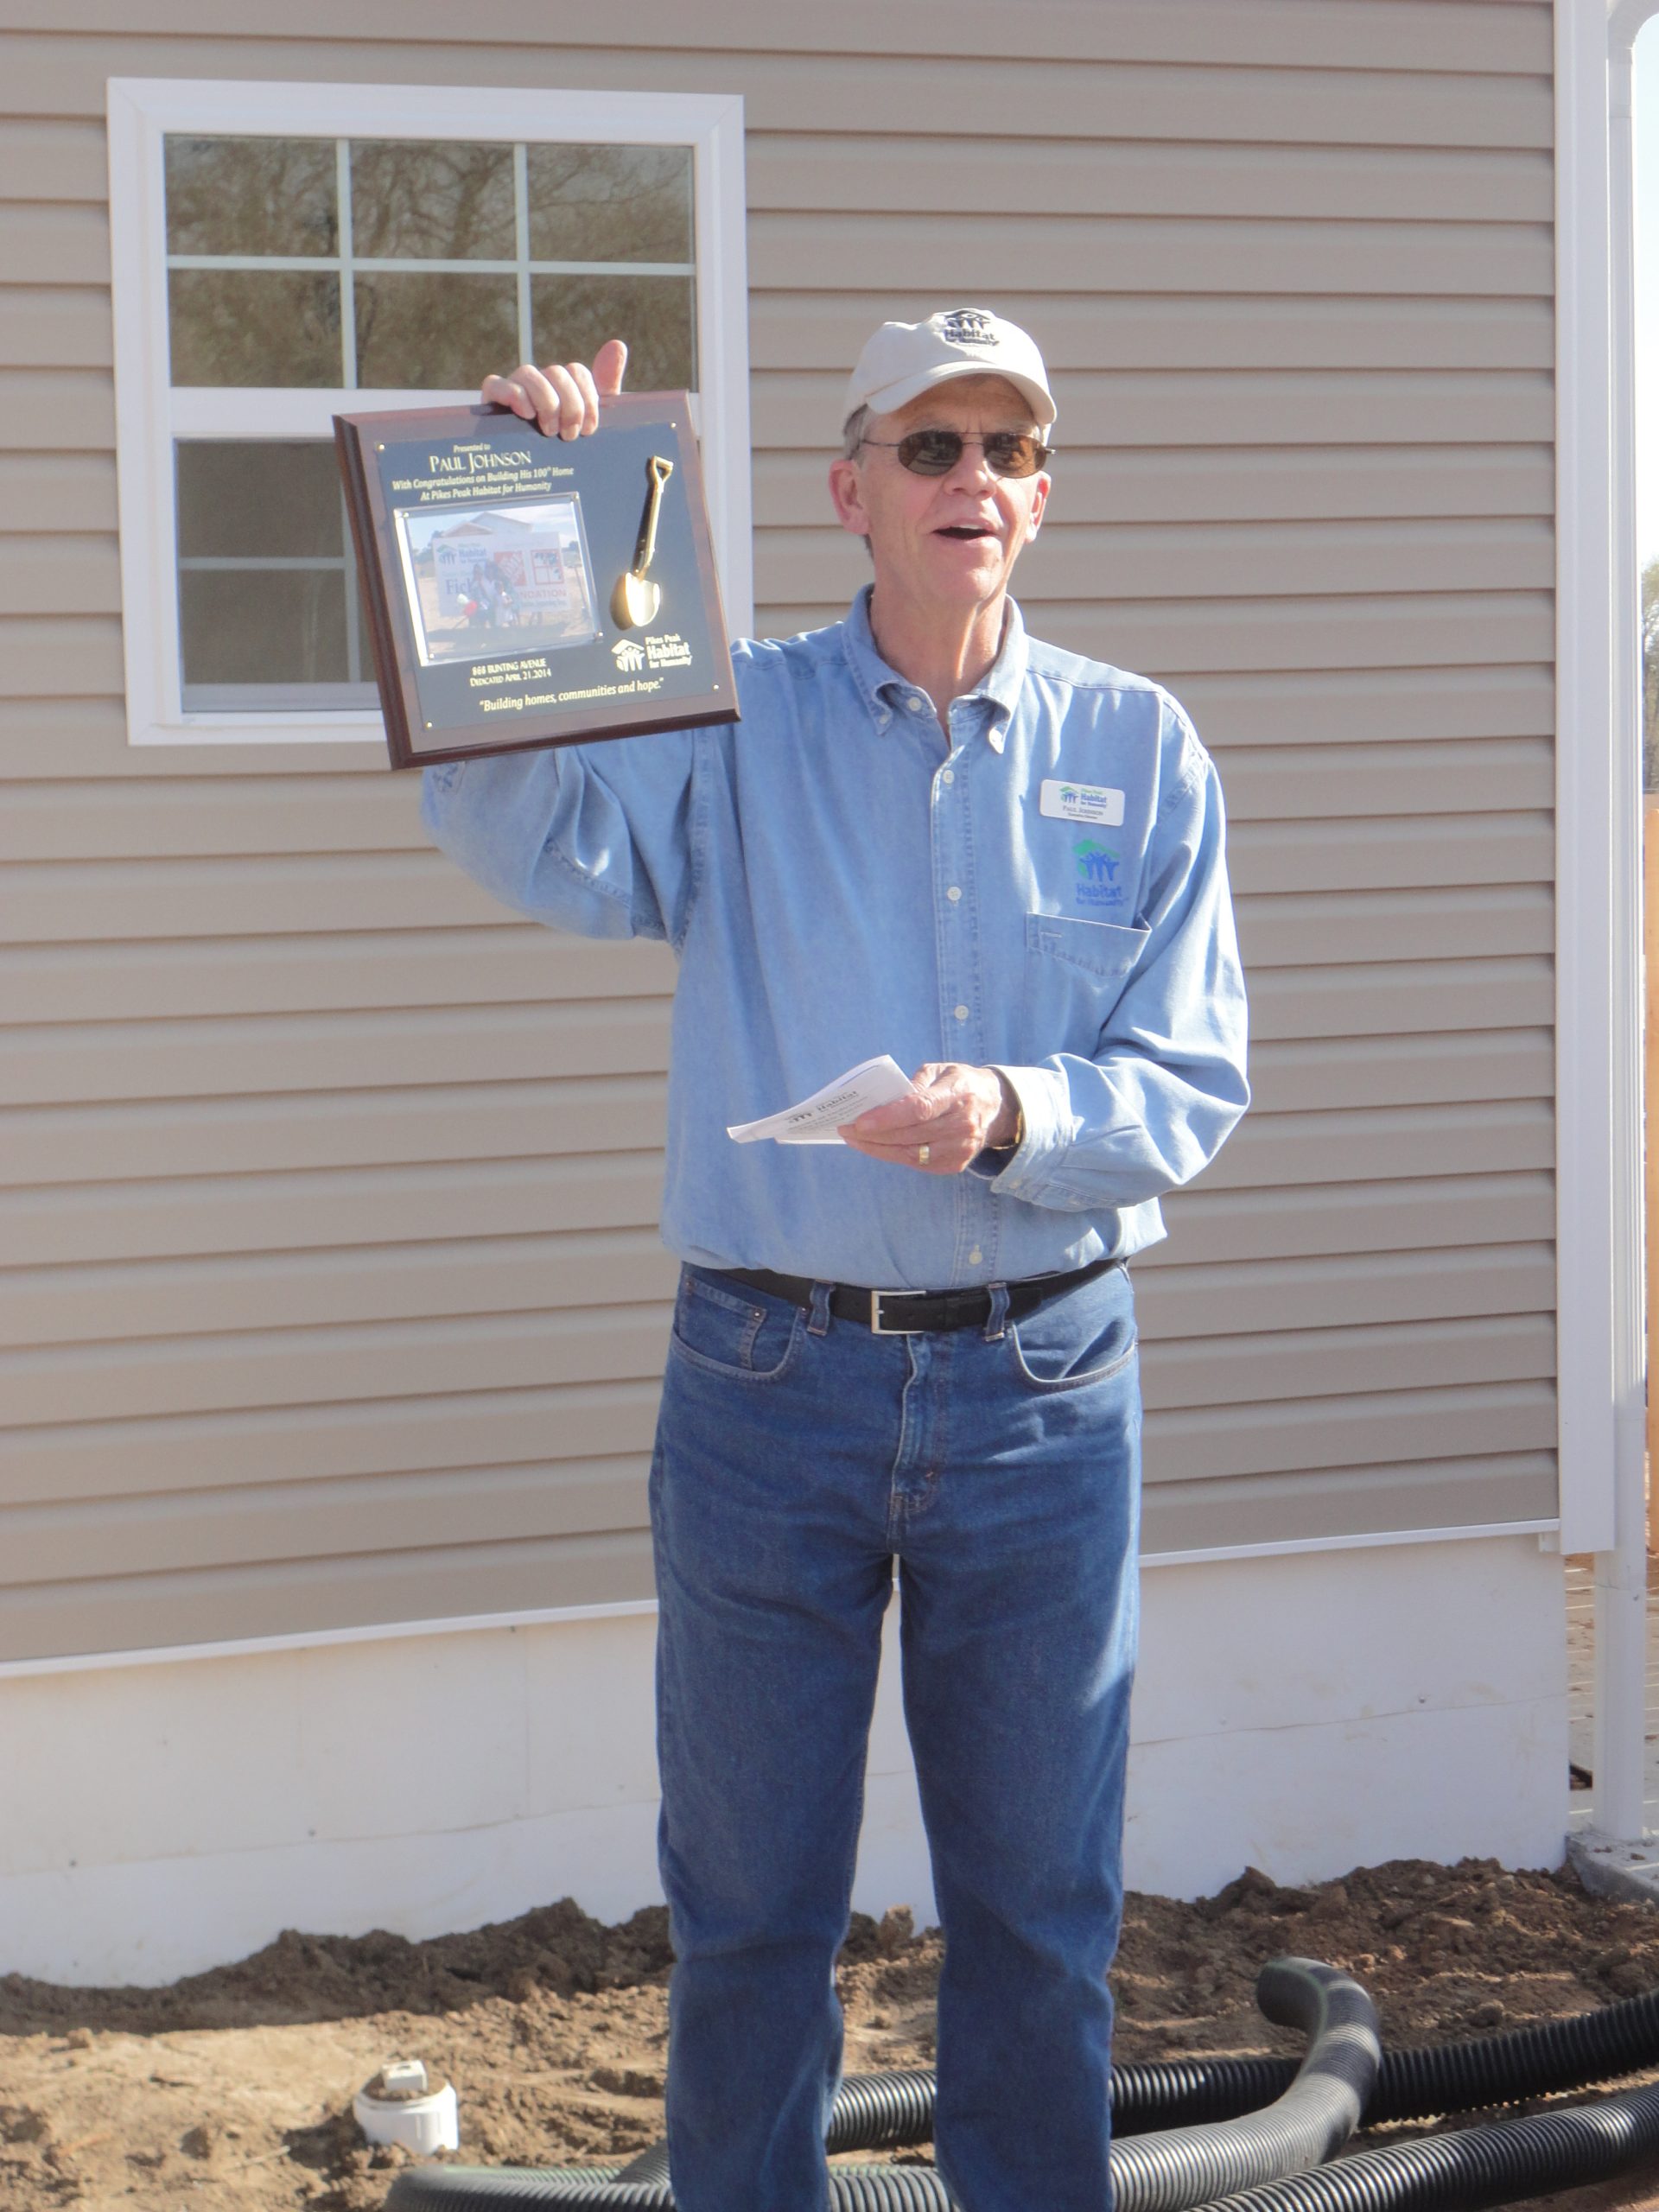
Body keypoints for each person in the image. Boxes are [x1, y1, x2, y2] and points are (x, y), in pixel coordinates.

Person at [422, 308, 1249, 2212]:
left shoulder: (1142, 743)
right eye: (931, 445)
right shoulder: (725, 710)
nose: (974, 479)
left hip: (1047, 1397)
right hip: (767, 1394)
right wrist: (529, 508)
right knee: (749, 1912)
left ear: (1042, 496)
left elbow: (1190, 1075)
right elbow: (535, 836)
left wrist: (1017, 1113)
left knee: (1042, 1915)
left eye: (1006, 449)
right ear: (847, 488)